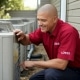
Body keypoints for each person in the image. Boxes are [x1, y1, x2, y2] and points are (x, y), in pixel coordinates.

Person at [14, 4, 80, 80]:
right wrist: (22, 36)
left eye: (43, 20)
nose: (40, 24)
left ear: (54, 19)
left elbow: (61, 64)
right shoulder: (44, 30)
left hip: (75, 70)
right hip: (59, 69)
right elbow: (27, 41)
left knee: (51, 75)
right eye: (38, 19)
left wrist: (33, 63)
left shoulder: (68, 32)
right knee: (34, 79)